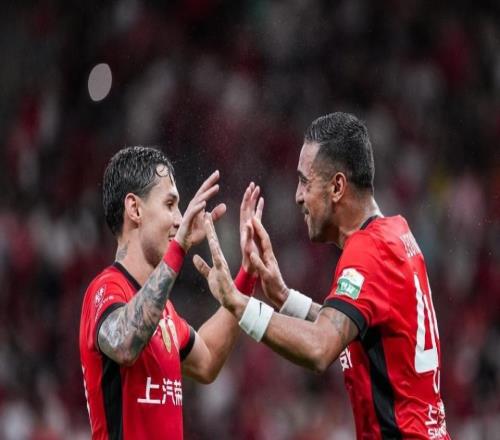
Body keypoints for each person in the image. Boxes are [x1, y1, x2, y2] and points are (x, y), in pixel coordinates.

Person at [194, 113, 450, 439]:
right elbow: (349, 329)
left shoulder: (367, 252)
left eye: (305, 181)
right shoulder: (396, 233)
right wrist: (284, 297)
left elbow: (320, 348)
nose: (298, 196)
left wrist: (237, 303)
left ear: (337, 186)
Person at [79, 146, 263, 439]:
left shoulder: (164, 312)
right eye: (170, 204)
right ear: (135, 209)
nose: (180, 219)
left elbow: (208, 361)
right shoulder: (106, 289)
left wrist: (247, 274)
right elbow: (124, 344)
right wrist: (179, 248)